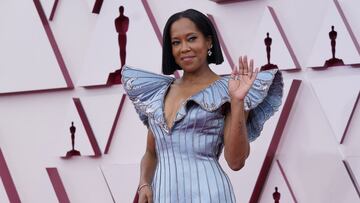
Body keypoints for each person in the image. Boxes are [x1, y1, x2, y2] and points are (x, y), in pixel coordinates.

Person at [121, 9, 283, 203]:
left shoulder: (230, 90)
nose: (184, 48)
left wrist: (238, 102)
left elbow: (235, 161)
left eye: (191, 38)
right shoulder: (158, 92)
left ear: (209, 42)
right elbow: (151, 153)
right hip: (163, 195)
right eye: (176, 42)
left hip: (208, 194)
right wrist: (144, 183)